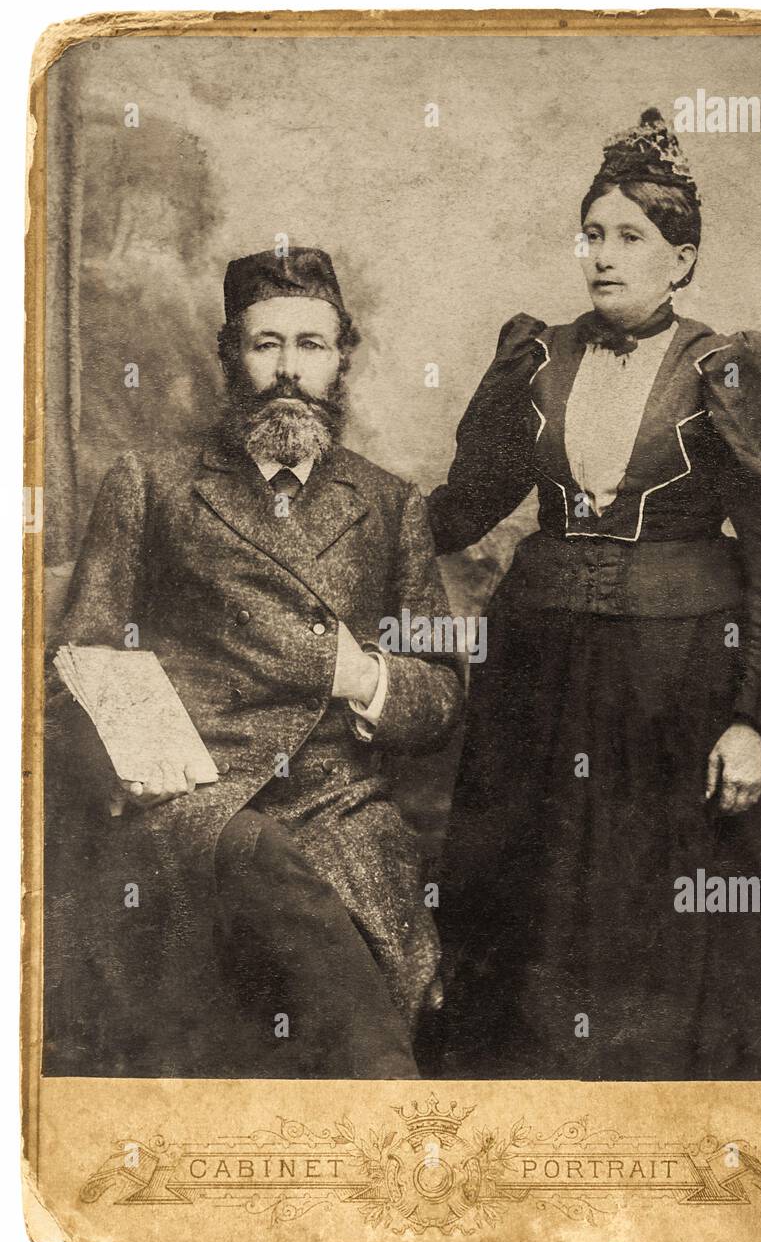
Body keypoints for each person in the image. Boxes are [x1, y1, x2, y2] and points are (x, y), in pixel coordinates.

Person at [426, 110, 761, 1081]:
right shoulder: (534, 357)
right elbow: (463, 507)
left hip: (679, 683)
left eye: (629, 238)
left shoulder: (723, 370)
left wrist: (748, 721)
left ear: (679, 259)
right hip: (537, 676)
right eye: (591, 235)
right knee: (532, 894)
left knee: (661, 907)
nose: (602, 258)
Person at [44, 247, 462, 1079]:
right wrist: (126, 761)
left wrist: (368, 678)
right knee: (264, 866)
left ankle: (381, 1111)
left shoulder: (388, 503)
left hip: (338, 799)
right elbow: (79, 662)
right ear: (230, 355)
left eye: (311, 346)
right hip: (195, 790)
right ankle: (396, 1104)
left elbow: (442, 691)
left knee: (324, 897)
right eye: (266, 345)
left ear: (343, 360)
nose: (287, 371)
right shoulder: (154, 483)